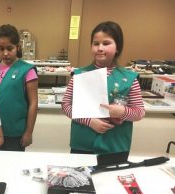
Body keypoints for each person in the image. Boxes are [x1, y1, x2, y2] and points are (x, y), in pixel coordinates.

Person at [62, 21, 145, 154]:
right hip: (83, 144)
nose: (100, 48)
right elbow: (66, 105)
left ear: (118, 47)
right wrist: (89, 121)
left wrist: (122, 112)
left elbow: (139, 112)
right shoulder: (79, 75)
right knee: (81, 174)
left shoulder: (129, 79)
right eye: (96, 43)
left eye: (106, 43)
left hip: (115, 145)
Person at [0, 24, 38, 151]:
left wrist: (29, 132)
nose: (5, 53)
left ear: (18, 47)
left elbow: (33, 103)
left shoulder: (27, 70)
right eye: (1, 48)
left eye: (10, 48)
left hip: (14, 132)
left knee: (12, 166)